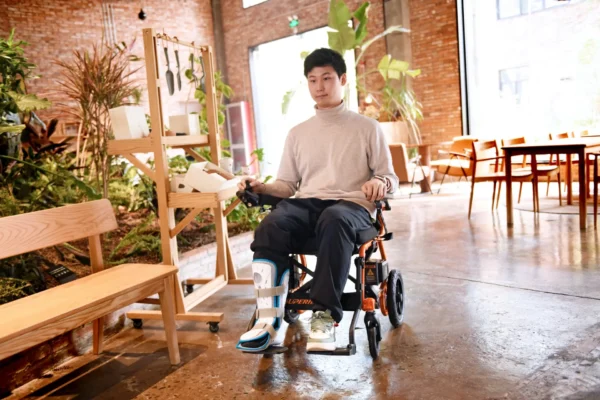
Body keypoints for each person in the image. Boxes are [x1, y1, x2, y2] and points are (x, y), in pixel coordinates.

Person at [236, 48, 398, 353]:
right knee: (271, 224)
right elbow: (287, 185)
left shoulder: (366, 128)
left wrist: (380, 181)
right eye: (312, 80)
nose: (319, 86)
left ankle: (323, 320)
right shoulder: (298, 134)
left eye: (326, 78)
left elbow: (389, 176)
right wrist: (262, 187)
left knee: (333, 219)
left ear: (343, 80)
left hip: (352, 208)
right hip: (308, 205)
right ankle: (268, 320)